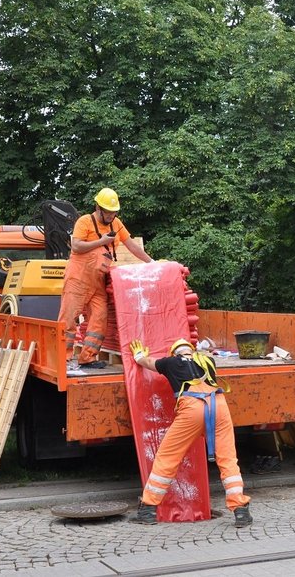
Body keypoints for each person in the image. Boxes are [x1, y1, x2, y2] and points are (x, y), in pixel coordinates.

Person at [128, 338, 253, 527]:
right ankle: (241, 511)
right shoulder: (207, 360)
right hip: (218, 406)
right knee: (227, 459)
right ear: (191, 350)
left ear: (174, 353)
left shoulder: (170, 362)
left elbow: (147, 363)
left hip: (192, 408)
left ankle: (148, 509)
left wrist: (139, 356)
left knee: (167, 457)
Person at [58, 188, 152, 370]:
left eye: (114, 211)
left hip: (98, 281)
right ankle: (63, 359)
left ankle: (88, 358)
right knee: (68, 320)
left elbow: (132, 245)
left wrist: (152, 263)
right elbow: (76, 246)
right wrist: (101, 241)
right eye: (108, 212)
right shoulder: (84, 221)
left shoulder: (116, 224)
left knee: (99, 319)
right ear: (98, 207)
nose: (111, 215)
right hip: (77, 279)